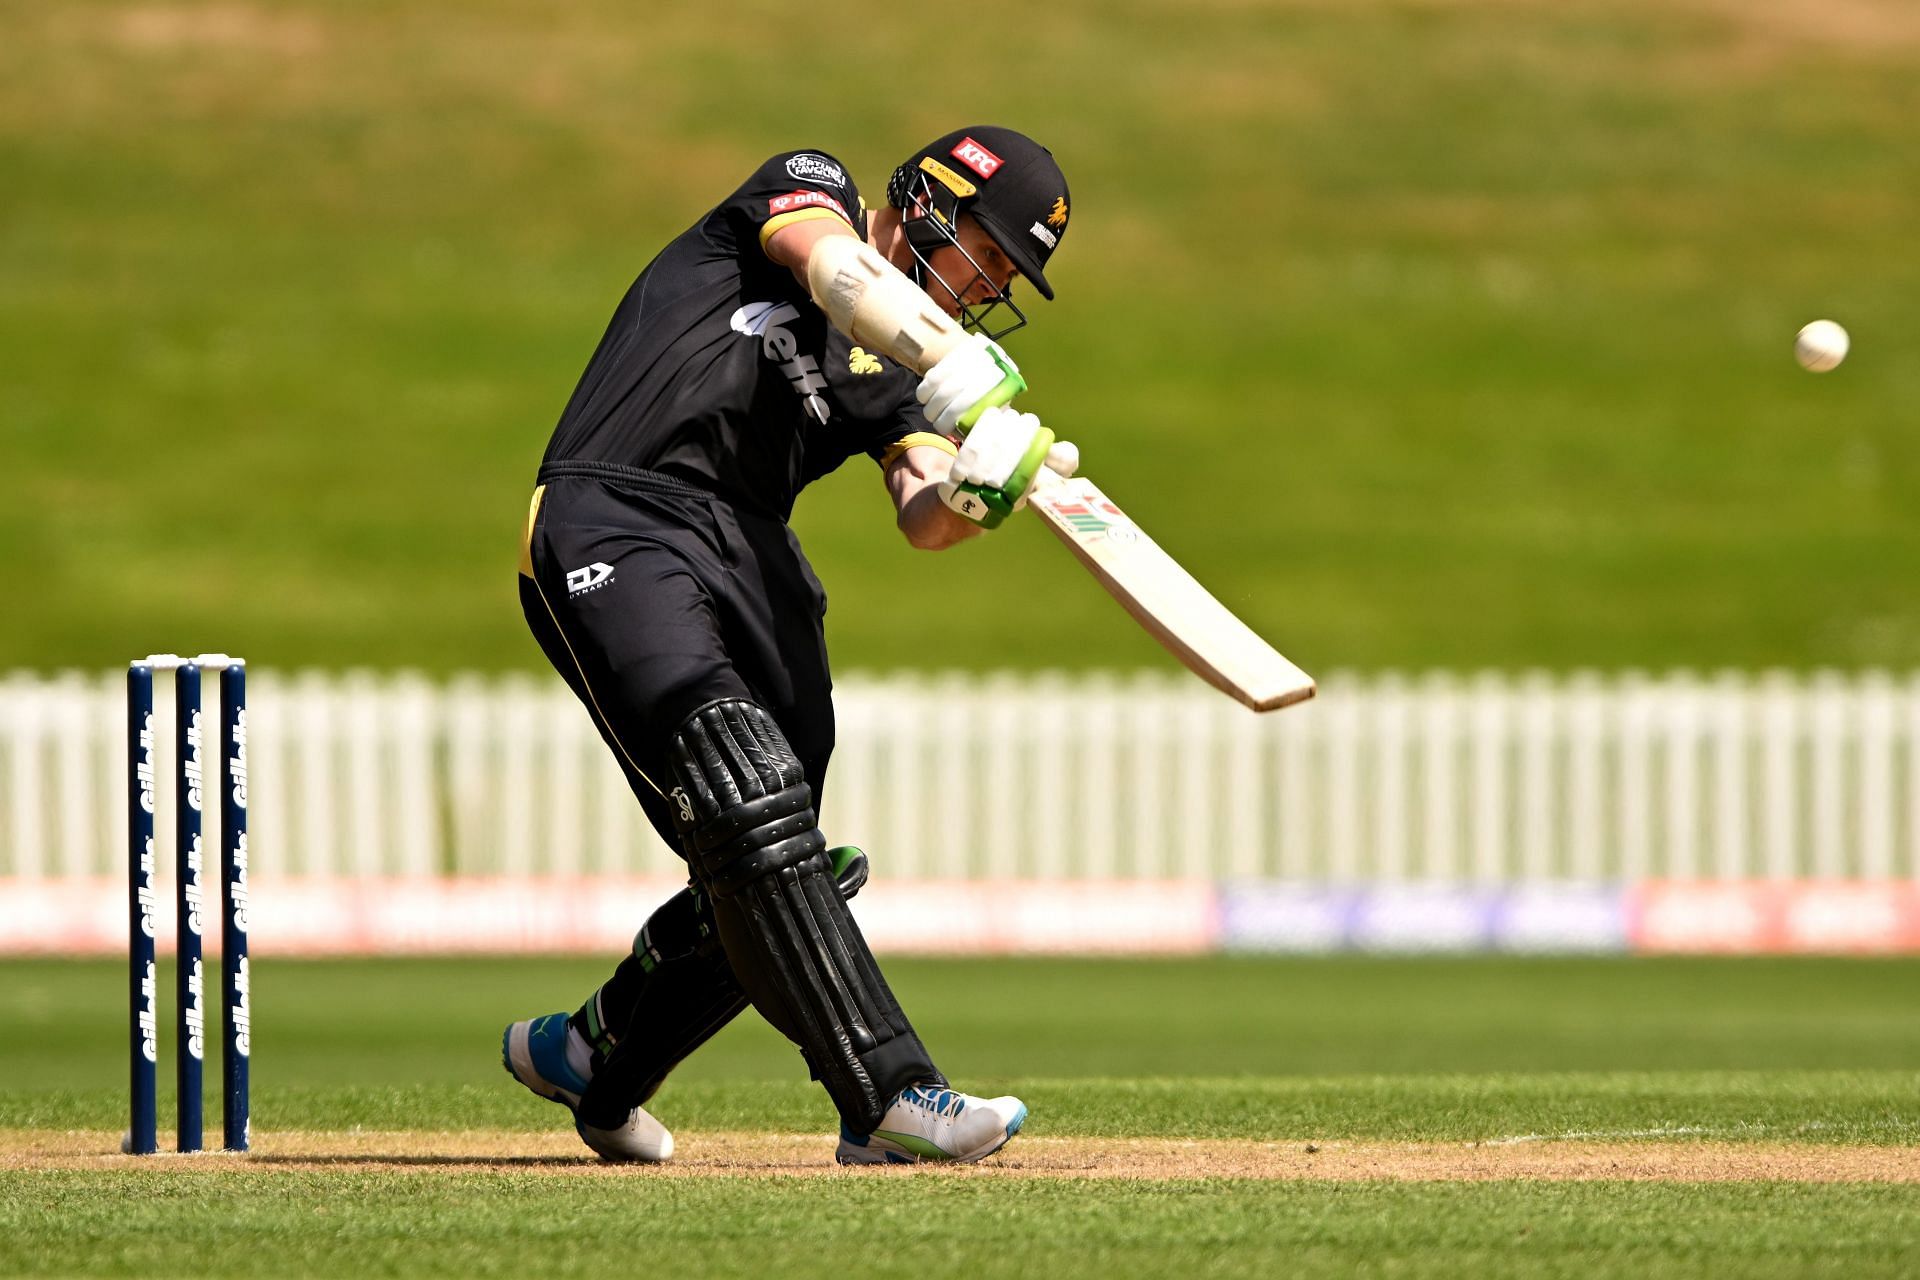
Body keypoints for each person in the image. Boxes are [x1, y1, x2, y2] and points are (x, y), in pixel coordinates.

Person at [503, 126, 1076, 1165]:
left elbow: (922, 510)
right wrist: (954, 360)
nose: (982, 288)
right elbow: (832, 268)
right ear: (931, 201)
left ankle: (596, 1056)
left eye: (1001, 281)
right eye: (983, 255)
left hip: (753, 561)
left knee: (776, 850)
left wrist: (987, 484)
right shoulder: (807, 191)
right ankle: (892, 1096)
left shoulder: (896, 378)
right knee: (747, 789)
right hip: (623, 511)